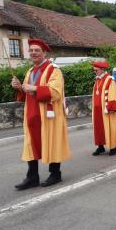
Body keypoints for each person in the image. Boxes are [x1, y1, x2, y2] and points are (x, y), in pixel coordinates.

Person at [10, 38, 70, 190]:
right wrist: (19, 88)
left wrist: (34, 88)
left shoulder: (53, 70)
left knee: (52, 141)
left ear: (44, 53)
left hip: (49, 115)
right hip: (32, 113)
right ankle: (32, 177)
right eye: (31, 50)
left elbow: (55, 92)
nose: (33, 53)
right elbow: (25, 93)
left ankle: (55, 174)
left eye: (37, 50)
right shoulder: (30, 71)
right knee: (31, 145)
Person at [91, 60, 116, 156]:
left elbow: (112, 94)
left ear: (102, 69)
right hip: (97, 109)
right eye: (94, 70)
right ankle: (100, 146)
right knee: (99, 128)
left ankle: (113, 147)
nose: (95, 72)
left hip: (106, 109)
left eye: (96, 70)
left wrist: (110, 107)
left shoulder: (110, 79)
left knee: (110, 127)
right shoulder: (97, 80)